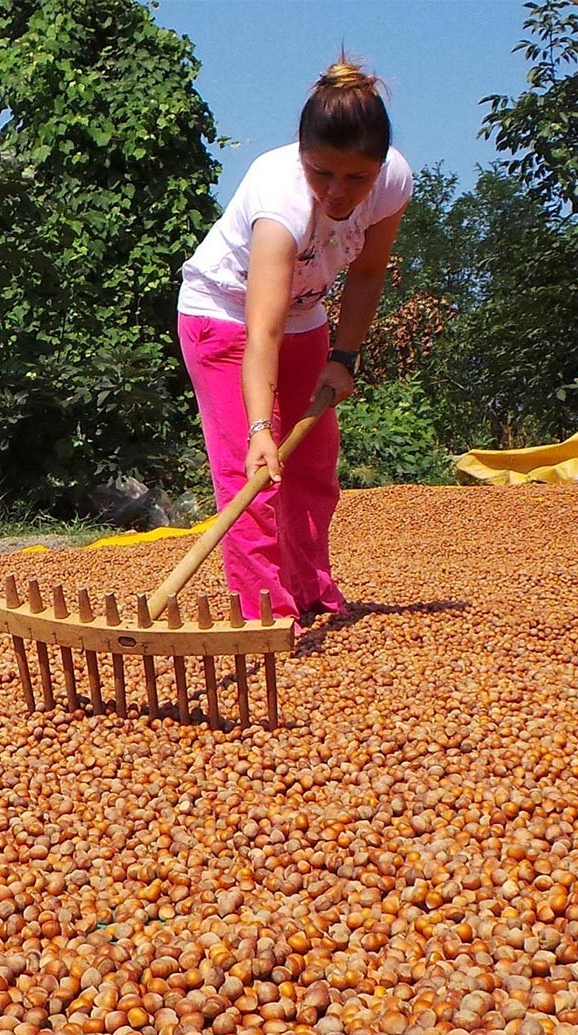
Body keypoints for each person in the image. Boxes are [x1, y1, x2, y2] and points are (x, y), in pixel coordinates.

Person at [177, 59, 413, 623]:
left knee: (311, 464)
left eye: (356, 178)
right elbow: (262, 328)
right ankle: (264, 612)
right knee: (252, 472)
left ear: (379, 167)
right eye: (320, 173)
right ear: (301, 154)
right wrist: (261, 428)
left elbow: (367, 274)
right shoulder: (279, 198)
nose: (337, 193)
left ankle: (310, 589)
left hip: (306, 317)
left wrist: (344, 358)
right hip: (226, 316)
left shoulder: (395, 181)